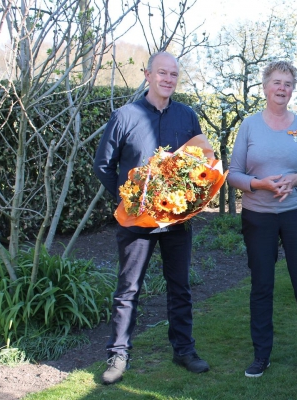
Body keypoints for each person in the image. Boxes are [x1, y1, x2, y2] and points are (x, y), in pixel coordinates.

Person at [93, 51, 210, 385]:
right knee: (128, 288)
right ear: (147, 75)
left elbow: (199, 163)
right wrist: (127, 201)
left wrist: (188, 203)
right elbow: (104, 165)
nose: (168, 79)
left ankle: (184, 350)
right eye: (162, 73)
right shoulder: (125, 116)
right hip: (136, 223)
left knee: (180, 286)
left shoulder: (187, 116)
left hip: (176, 220)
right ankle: (118, 354)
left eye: (173, 74)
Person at [227, 60, 297, 384]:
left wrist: (296, 179)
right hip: (258, 217)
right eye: (276, 82)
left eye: (287, 83)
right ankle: (261, 355)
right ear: (265, 87)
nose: (282, 88)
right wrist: (260, 184)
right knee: (261, 287)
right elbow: (233, 175)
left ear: (292, 89)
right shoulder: (249, 127)